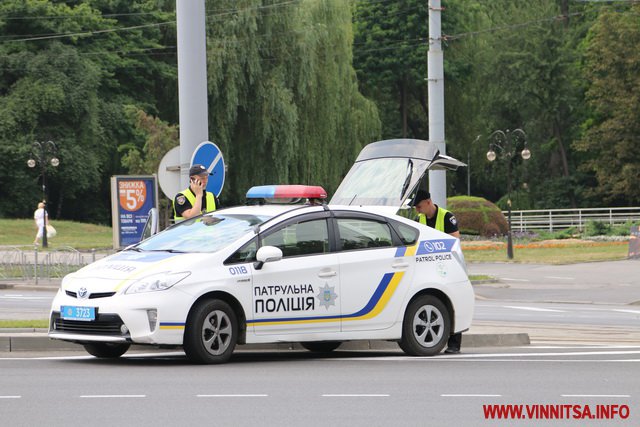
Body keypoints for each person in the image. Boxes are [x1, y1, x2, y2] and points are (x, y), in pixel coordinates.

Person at [412, 189, 463, 354]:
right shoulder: (418, 219)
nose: (417, 210)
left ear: (428, 202)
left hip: (448, 266)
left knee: (453, 303)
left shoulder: (447, 217)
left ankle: (454, 344)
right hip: (427, 267)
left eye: (419, 206)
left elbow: (455, 240)